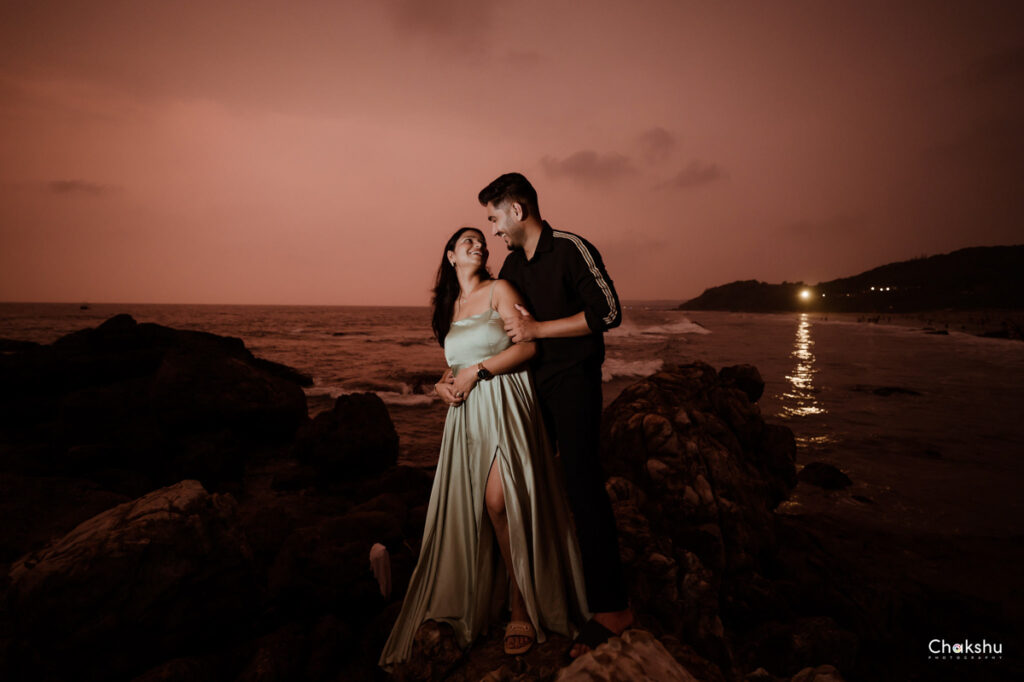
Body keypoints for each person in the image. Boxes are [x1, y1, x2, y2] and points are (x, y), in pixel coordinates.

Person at [378, 227, 589, 670]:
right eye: (468, 241)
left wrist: (480, 372)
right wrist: (441, 384)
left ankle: (520, 607)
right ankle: (499, 594)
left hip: (506, 399)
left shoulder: (500, 289)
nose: (478, 245)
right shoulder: (448, 308)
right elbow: (453, 363)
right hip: (467, 413)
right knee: (480, 509)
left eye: (481, 240)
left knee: (499, 500)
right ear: (450, 255)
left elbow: (528, 345)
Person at [478, 172, 634, 658]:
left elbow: (608, 312)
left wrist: (540, 329)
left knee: (582, 486)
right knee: (515, 491)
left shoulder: (571, 248)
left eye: (495, 216)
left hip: (573, 384)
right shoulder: (510, 264)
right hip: (527, 390)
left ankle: (612, 608)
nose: (494, 227)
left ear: (517, 211)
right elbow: (505, 329)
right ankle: (535, 598)